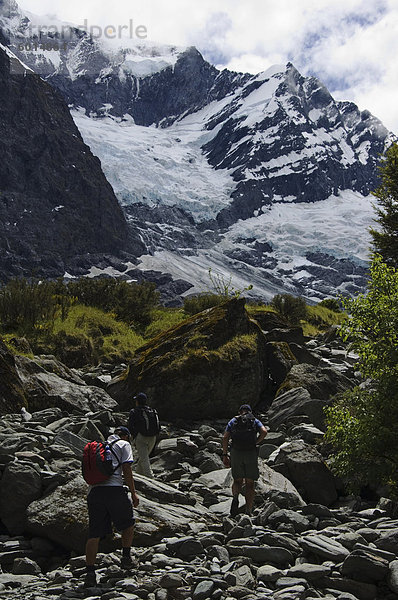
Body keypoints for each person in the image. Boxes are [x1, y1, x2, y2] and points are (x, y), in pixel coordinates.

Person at [84, 426, 139, 587]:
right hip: (115, 490)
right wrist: (133, 492)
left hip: (94, 492)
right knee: (128, 524)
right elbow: (127, 468)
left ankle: (90, 573)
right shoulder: (124, 444)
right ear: (126, 436)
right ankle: (126, 558)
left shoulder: (99, 446)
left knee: (94, 533)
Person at [222, 404, 267, 516]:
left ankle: (236, 497)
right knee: (250, 484)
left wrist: (225, 454)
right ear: (250, 411)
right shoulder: (255, 420)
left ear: (239, 411)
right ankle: (248, 511)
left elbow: (225, 437)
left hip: (236, 452)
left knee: (237, 480)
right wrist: (256, 442)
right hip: (250, 452)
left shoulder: (233, 421)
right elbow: (264, 432)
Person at [128, 392, 160, 479]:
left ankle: (151, 478)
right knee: (144, 457)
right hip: (153, 437)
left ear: (137, 401)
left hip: (141, 437)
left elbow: (130, 426)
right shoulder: (153, 411)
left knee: (144, 459)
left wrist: (133, 437)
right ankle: (138, 475)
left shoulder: (134, 411)